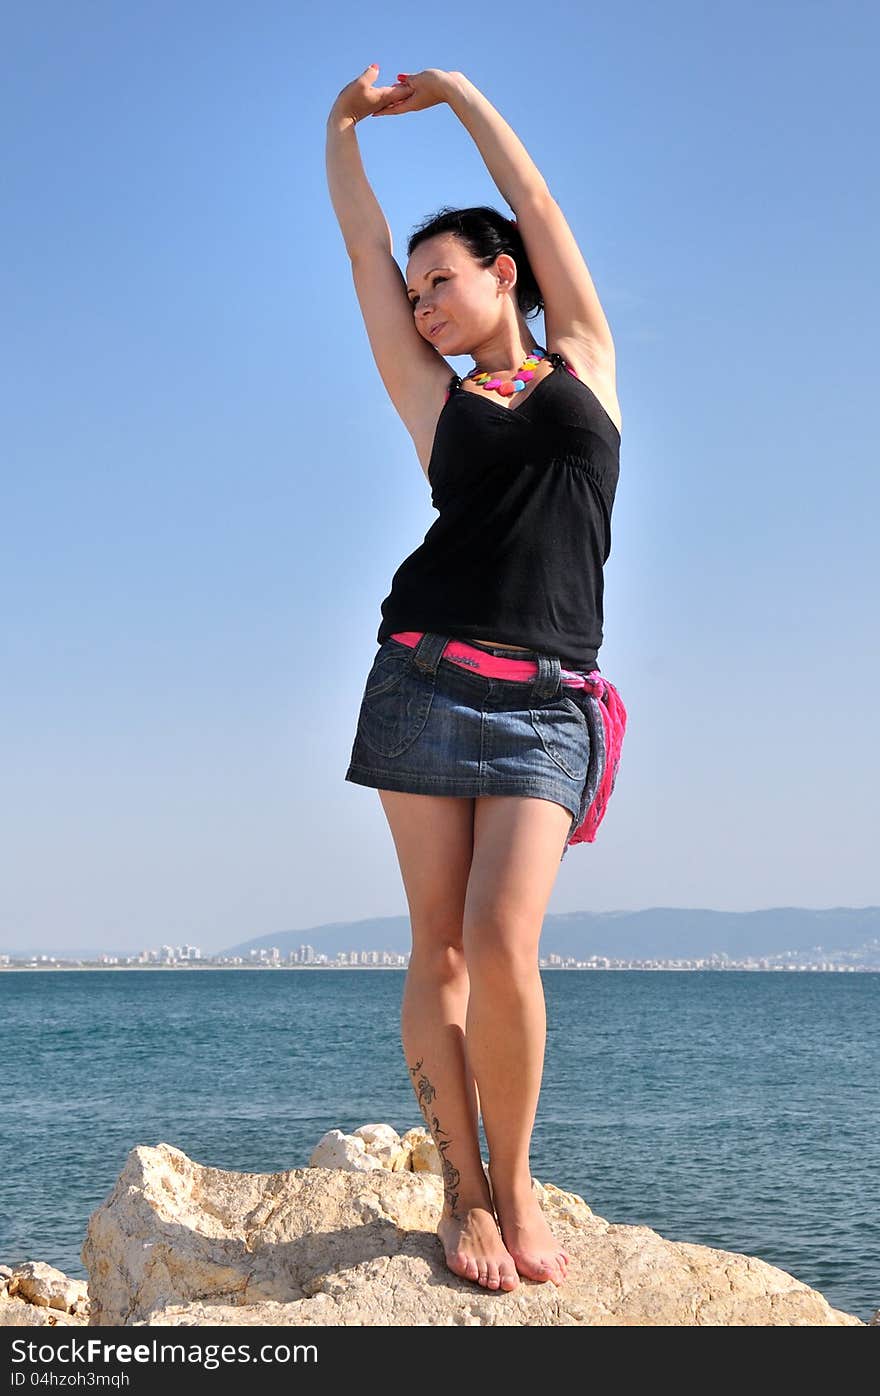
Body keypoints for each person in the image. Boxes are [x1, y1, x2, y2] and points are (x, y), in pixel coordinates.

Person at [325, 65, 627, 1295]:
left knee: (505, 943)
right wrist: (339, 127)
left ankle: (517, 1182)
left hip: (549, 700)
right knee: (437, 950)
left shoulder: (586, 363)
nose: (425, 303)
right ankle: (462, 1197)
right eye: (416, 291)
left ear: (503, 275)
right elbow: (358, 252)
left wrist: (455, 95)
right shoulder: (431, 401)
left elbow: (536, 196)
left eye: (442, 280)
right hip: (423, 679)